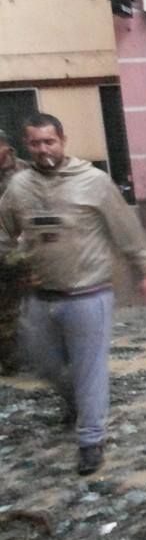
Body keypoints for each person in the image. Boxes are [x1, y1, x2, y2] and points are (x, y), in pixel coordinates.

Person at [0, 113, 146, 475]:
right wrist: (11, 261)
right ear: (27, 145)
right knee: (43, 362)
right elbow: (4, 231)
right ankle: (75, 404)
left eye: (49, 141)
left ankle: (91, 440)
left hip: (88, 294)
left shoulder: (94, 182)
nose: (43, 149)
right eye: (36, 143)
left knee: (90, 370)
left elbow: (127, 230)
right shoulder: (19, 188)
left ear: (63, 140)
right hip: (40, 295)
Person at [0, 129, 29, 374]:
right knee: (6, 310)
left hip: (22, 252)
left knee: (31, 306)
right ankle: (10, 363)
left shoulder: (26, 173)